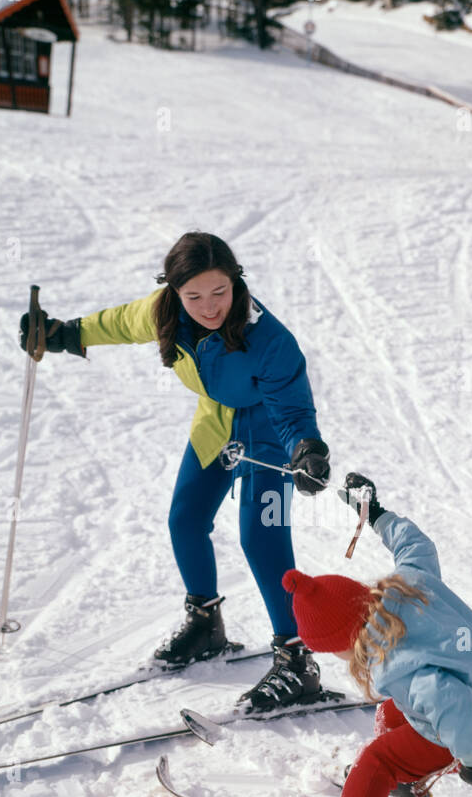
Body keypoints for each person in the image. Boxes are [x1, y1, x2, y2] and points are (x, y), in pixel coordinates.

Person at [18, 230, 331, 712]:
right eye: (194, 296)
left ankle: (296, 662)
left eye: (220, 292)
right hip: (216, 424)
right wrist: (63, 333)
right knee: (185, 519)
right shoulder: (166, 311)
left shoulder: (269, 338)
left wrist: (306, 449)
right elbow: (120, 322)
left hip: (269, 436)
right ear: (174, 291)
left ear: (237, 282)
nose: (209, 307)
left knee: (261, 537)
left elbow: (291, 408)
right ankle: (205, 623)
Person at [270, 473, 472, 797]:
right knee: (394, 712)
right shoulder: (409, 583)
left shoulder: (397, 663)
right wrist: (374, 513)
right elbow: (416, 545)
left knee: (379, 759)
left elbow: (451, 703)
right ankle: (408, 784)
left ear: (344, 640)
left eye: (332, 650)